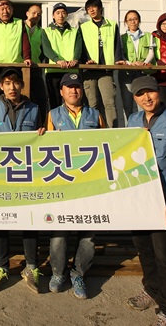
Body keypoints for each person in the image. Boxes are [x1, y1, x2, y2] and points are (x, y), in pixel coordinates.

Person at [125, 75, 166, 326]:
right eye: (140, 94)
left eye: (150, 92)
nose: (146, 98)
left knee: (165, 256)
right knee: (144, 250)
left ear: (159, 92)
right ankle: (151, 290)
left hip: (162, 200)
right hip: (138, 198)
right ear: (134, 98)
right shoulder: (132, 121)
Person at [0, 67, 46, 294]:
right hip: (0, 175)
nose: (12, 87)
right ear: (1, 86)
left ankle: (31, 267)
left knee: (30, 221)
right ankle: (2, 267)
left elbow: (43, 138)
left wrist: (43, 134)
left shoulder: (35, 109)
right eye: (7, 83)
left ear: (22, 85)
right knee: (1, 222)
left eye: (16, 82)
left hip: (27, 174)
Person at [46, 72, 103, 300]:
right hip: (63, 183)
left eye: (77, 86)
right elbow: (44, 149)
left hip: (90, 184)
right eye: (68, 87)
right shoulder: (52, 115)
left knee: (88, 235)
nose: (73, 90)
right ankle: (58, 273)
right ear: (61, 91)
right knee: (59, 232)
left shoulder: (95, 115)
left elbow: (107, 145)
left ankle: (78, 273)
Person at [79, 0, 125, 128]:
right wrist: (85, 61)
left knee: (109, 103)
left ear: (100, 8)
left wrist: (118, 59)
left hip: (106, 70)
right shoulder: (83, 27)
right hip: (89, 70)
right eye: (88, 8)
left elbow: (117, 45)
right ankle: (91, 130)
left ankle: (112, 130)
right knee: (92, 103)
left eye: (93, 7)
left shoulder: (112, 25)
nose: (91, 10)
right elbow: (81, 47)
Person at [0, 0, 32, 99]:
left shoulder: (19, 23)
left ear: (12, 10)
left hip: (15, 64)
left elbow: (25, 41)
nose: (5, 11)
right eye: (2, 9)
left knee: (15, 94)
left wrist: (27, 57)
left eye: (8, 9)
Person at [41, 2, 82, 110]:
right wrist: (57, 60)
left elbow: (78, 47)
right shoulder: (46, 31)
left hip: (71, 70)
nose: (61, 15)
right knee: (54, 101)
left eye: (63, 12)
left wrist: (75, 59)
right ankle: (54, 121)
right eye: (58, 13)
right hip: (53, 70)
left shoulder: (75, 31)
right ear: (53, 15)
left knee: (72, 101)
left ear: (67, 15)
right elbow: (46, 49)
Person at [119, 10, 155, 119]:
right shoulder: (122, 37)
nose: (133, 22)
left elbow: (151, 53)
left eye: (135, 19)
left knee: (143, 103)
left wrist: (144, 63)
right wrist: (130, 63)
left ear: (139, 20)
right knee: (127, 104)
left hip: (143, 72)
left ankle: (144, 125)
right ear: (126, 22)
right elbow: (121, 55)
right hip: (127, 72)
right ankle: (130, 126)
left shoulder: (148, 36)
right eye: (130, 20)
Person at [24, 3, 49, 116]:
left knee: (40, 99)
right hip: (20, 67)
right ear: (27, 13)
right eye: (33, 13)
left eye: (39, 15)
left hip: (35, 68)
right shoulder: (18, 27)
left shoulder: (41, 31)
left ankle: (41, 123)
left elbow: (44, 50)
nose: (36, 16)